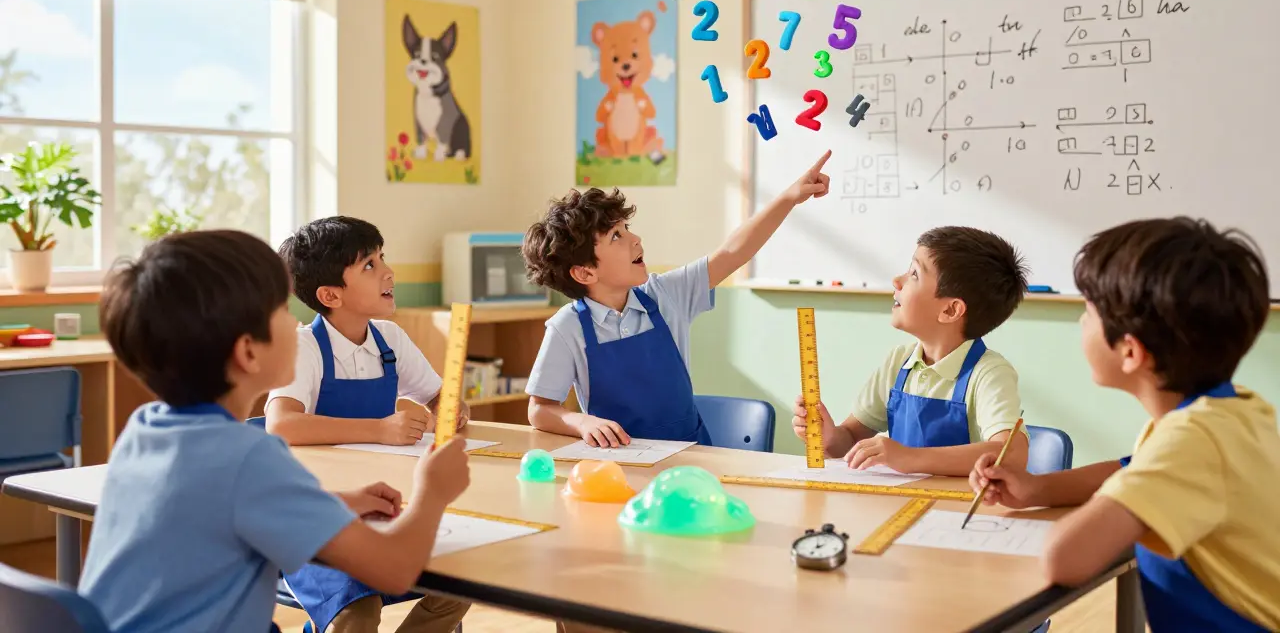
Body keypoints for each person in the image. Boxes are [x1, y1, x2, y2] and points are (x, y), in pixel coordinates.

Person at [80, 230, 471, 633]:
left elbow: (223, 504)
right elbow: (393, 570)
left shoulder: (145, 430)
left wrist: (333, 501)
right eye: (282, 312)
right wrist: (432, 493)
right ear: (249, 352)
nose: (296, 323)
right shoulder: (250, 459)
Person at [969, 217, 1279, 632]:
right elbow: (1133, 470)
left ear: (1131, 352)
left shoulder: (1192, 440)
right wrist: (1038, 488)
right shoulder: (1234, 411)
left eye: (1089, 312)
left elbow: (1066, 559)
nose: (1080, 323)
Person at [522, 151, 831, 446]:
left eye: (625, 228)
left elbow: (734, 251)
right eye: (616, 236)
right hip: (617, 467)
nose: (635, 239)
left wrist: (790, 196)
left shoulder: (666, 294)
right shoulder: (566, 328)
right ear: (585, 273)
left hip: (690, 457)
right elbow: (540, 409)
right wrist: (581, 423)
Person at [266, 216, 470, 632]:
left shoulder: (390, 339)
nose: (388, 271)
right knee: (359, 611)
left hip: (387, 510)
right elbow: (282, 425)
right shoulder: (306, 347)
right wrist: (381, 428)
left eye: (383, 258)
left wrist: (449, 408)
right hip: (324, 521)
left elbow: (438, 394)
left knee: (463, 581)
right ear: (330, 295)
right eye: (369, 266)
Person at [792, 226, 1030, 475]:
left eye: (914, 274)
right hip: (901, 505)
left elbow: (1011, 455)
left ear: (950, 310)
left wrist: (908, 457)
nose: (897, 280)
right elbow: (850, 439)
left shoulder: (989, 372)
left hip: (956, 510)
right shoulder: (898, 361)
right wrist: (829, 437)